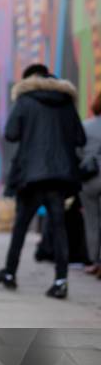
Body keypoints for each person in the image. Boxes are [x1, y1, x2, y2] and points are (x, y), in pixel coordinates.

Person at [0, 64, 86, 299]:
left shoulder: (25, 99)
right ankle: (61, 281)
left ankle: (10, 273)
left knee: (21, 227)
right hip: (59, 176)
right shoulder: (66, 101)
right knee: (58, 228)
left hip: (31, 175)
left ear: (29, 79)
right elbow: (80, 138)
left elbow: (11, 133)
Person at [79, 92, 101, 277]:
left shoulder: (86, 126)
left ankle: (94, 261)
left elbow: (77, 152)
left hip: (90, 179)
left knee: (92, 221)